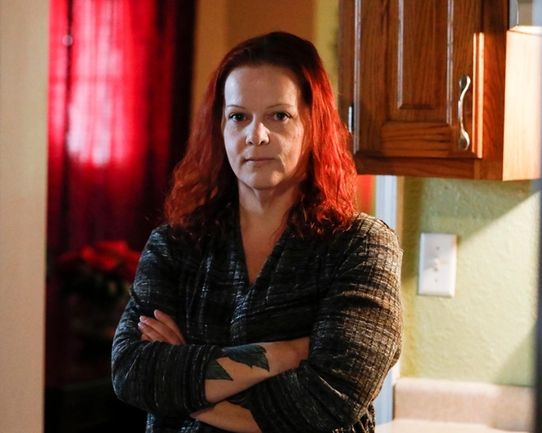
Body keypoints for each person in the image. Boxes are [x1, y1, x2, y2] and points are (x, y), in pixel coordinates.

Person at [111, 32, 402, 433]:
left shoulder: (361, 246)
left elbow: (329, 398)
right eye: (238, 116)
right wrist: (284, 354)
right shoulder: (174, 245)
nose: (256, 135)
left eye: (278, 115)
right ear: (221, 128)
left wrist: (186, 390)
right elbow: (132, 371)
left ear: (312, 124)